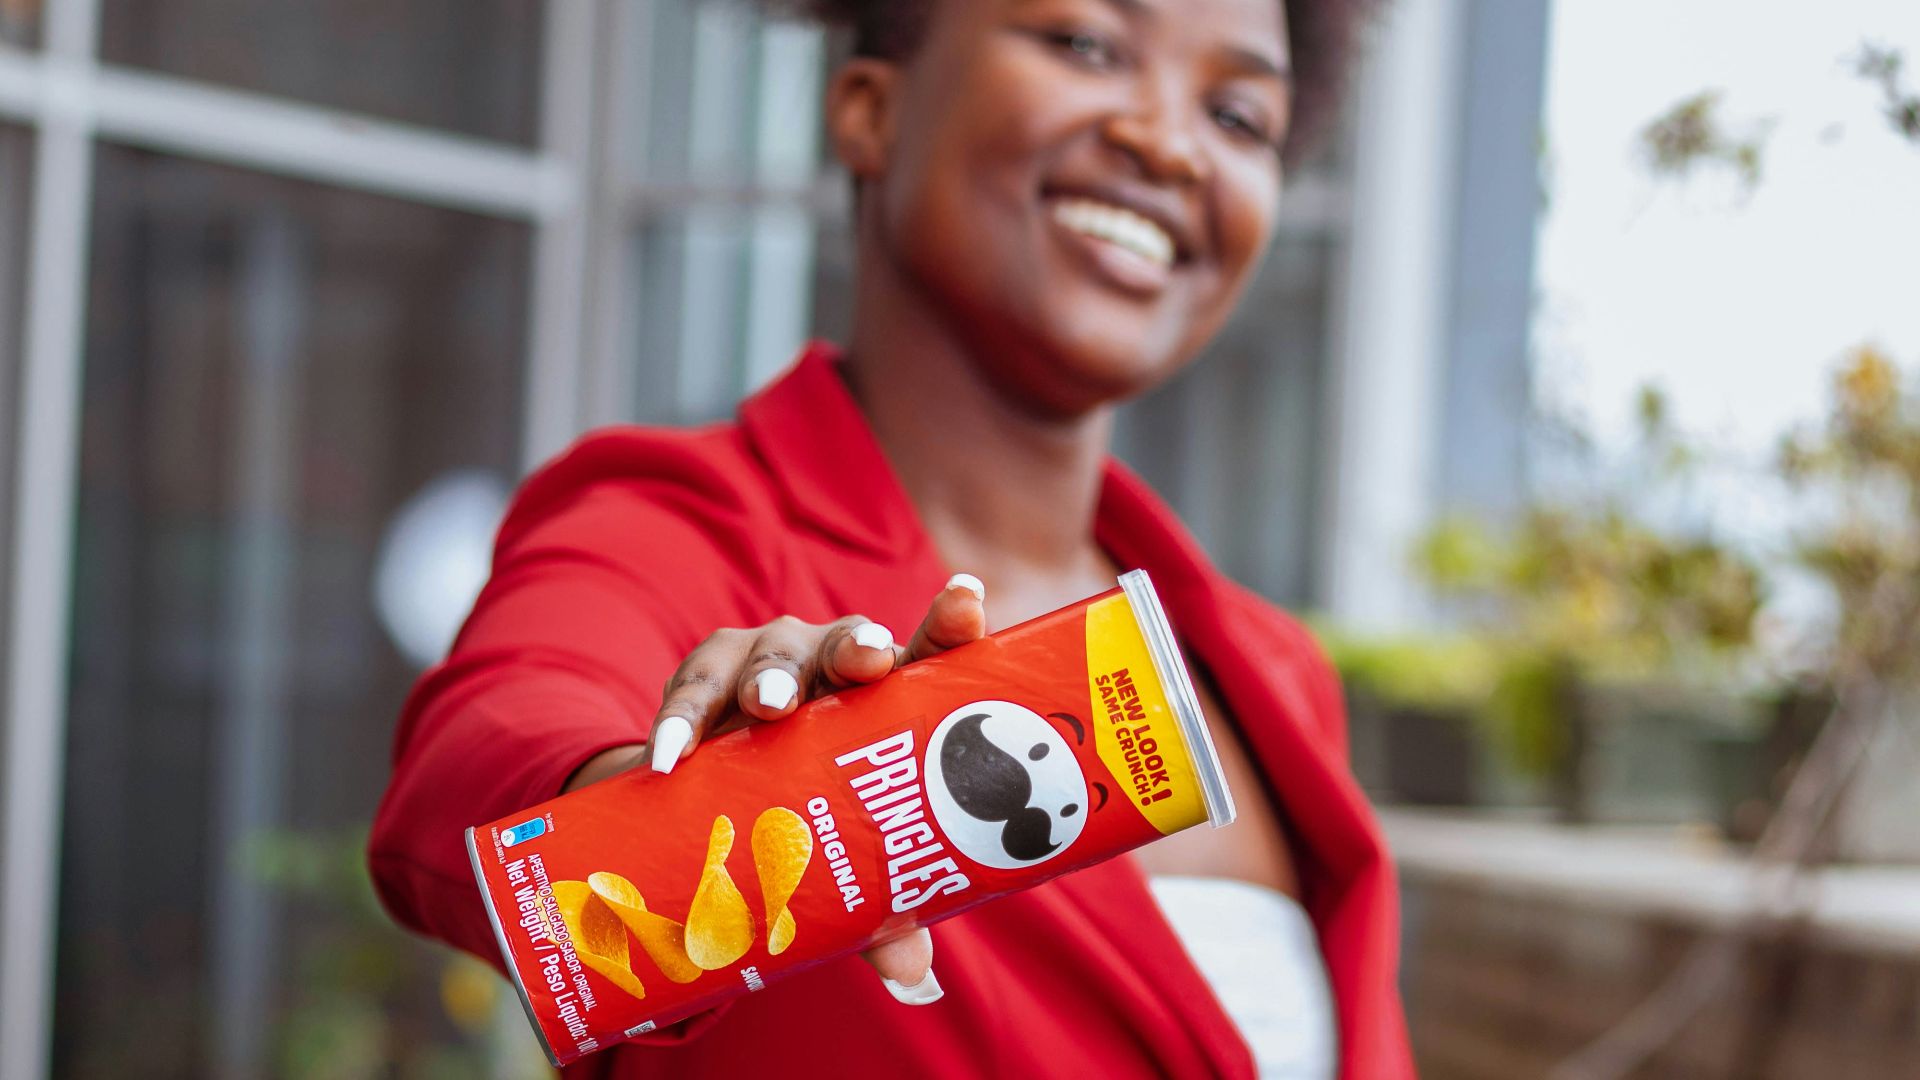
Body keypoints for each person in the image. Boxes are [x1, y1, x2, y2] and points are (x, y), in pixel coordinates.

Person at [370, 0, 1413, 1075]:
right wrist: (669, 811)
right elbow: (489, 745)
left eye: (1239, 115)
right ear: (871, 109)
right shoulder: (676, 524)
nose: (1169, 141)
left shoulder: (1272, 670)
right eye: (1087, 45)